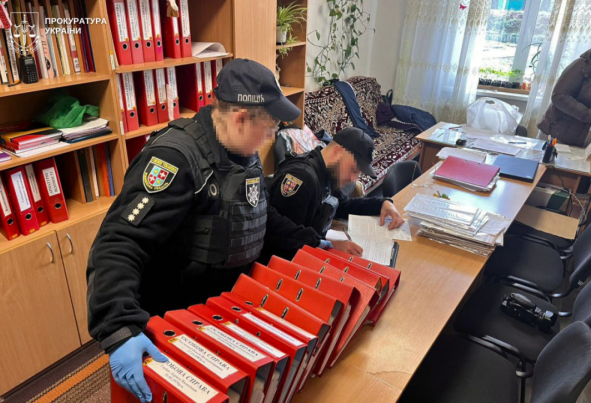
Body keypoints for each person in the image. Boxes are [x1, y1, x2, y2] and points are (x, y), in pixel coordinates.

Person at [86, 59, 328, 403]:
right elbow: (119, 242)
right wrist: (118, 328)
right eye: (271, 127)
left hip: (224, 311)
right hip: (175, 320)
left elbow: (261, 214)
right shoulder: (175, 159)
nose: (272, 137)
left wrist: (314, 244)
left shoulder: (241, 151)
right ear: (240, 118)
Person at [266, 127, 405, 257]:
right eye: (353, 169)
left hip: (312, 249)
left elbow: (343, 205)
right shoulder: (302, 179)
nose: (353, 179)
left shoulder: (326, 173)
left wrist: (382, 204)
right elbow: (284, 238)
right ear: (337, 151)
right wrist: (328, 246)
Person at [538, 49, 591, 147]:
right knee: (546, 157)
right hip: (558, 135)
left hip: (585, 142)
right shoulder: (584, 64)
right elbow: (559, 96)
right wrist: (588, 115)